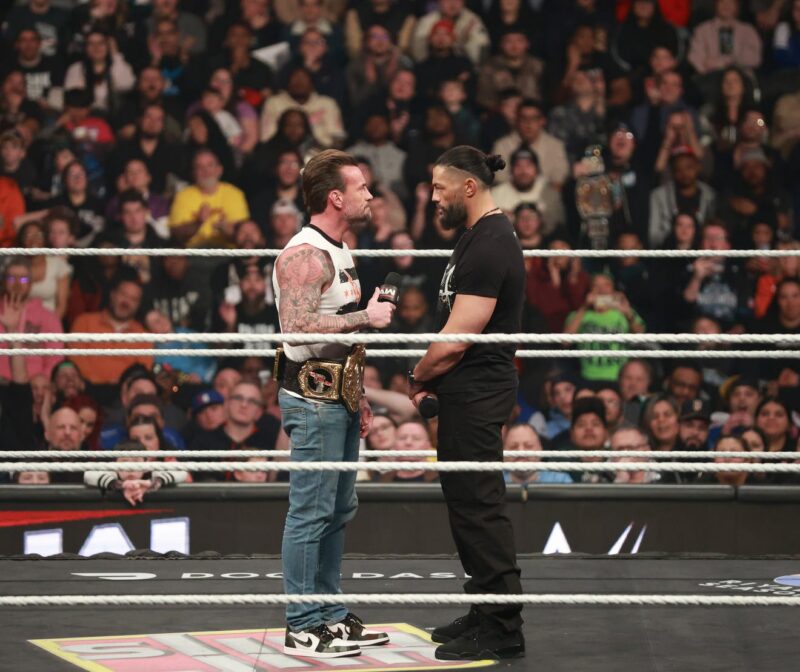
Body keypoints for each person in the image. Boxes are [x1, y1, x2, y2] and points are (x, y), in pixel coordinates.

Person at [272, 149, 395, 657]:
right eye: (361, 186)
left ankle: (330, 615)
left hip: (338, 396)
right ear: (336, 197)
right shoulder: (305, 255)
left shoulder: (340, 249)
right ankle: (302, 623)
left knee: (340, 508)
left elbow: (337, 336)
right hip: (311, 400)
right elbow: (297, 327)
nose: (370, 194)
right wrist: (367, 317)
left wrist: (358, 393)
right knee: (311, 511)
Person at [408, 146, 525, 660]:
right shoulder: (475, 237)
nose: (434, 197)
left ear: (469, 187)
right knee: (465, 504)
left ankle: (502, 626)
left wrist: (417, 375)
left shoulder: (492, 243)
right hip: (466, 390)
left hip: (478, 390)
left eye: (440, 187)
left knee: (479, 505)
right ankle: (484, 608)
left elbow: (458, 338)